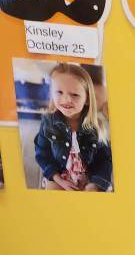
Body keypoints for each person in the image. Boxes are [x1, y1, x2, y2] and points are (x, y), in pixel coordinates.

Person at [33, 63, 112, 192]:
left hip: (90, 178)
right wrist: (58, 179)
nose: (66, 99)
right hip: (58, 176)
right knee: (53, 194)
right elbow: (42, 154)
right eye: (59, 92)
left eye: (74, 95)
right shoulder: (48, 122)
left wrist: (94, 184)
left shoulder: (97, 126)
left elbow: (104, 160)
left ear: (87, 99)